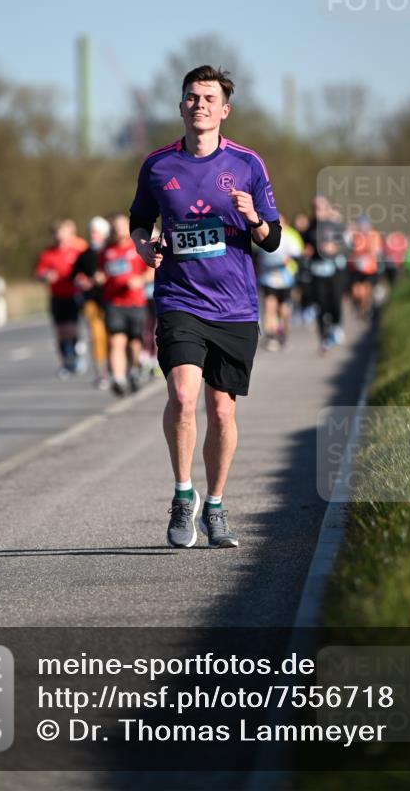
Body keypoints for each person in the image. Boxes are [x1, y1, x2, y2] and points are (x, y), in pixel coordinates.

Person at [129, 65, 281, 549]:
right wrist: (142, 246)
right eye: (192, 98)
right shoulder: (158, 165)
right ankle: (182, 495)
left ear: (225, 110)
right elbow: (139, 219)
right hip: (179, 299)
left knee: (221, 412)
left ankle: (214, 505)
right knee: (182, 396)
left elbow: (272, 239)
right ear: (181, 107)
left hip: (235, 307)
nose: (200, 105)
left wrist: (253, 217)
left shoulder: (247, 164)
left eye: (209, 99)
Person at [97, 213, 150, 396]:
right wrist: (99, 277)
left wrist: (140, 280)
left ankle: (134, 370)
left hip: (136, 302)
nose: (118, 229)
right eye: (115, 226)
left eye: (122, 225)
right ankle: (118, 379)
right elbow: (101, 271)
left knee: (135, 341)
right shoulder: (106, 251)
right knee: (115, 341)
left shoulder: (138, 247)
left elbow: (151, 271)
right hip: (114, 303)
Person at [34, 219, 87, 377]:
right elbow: (39, 274)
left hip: (73, 294)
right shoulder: (47, 253)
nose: (60, 236)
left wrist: (82, 279)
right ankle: (66, 361)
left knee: (71, 329)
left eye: (63, 232)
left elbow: (87, 269)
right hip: (56, 296)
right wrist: (46, 276)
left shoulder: (77, 251)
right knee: (60, 332)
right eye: (57, 233)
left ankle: (75, 356)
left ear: (70, 234)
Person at [302, 196, 348, 352]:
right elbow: (304, 246)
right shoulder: (310, 227)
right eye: (315, 208)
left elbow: (346, 246)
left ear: (327, 208)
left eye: (320, 208)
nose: (317, 212)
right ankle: (323, 338)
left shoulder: (335, 225)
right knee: (320, 305)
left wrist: (335, 248)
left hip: (335, 270)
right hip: (317, 271)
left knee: (335, 302)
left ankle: (336, 325)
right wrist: (306, 252)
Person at [72, 216, 111, 389]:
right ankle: (101, 374)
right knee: (96, 337)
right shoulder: (84, 254)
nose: (92, 236)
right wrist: (81, 281)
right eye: (90, 232)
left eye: (95, 232)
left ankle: (118, 369)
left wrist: (105, 277)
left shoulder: (110, 252)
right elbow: (75, 275)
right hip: (91, 301)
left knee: (113, 337)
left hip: (112, 301)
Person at [255, 212, 303, 350]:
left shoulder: (289, 237)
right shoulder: (264, 233)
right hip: (268, 277)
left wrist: (288, 260)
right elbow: (258, 253)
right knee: (269, 305)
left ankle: (282, 332)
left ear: (285, 223)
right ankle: (271, 335)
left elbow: (297, 254)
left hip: (285, 278)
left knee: (283, 308)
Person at [347, 214, 383, 317]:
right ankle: (359, 308)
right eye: (361, 224)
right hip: (356, 269)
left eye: (365, 224)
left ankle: (366, 309)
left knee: (366, 290)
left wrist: (368, 253)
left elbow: (377, 251)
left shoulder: (374, 235)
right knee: (356, 291)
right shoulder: (356, 236)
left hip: (370, 269)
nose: (363, 227)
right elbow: (350, 248)